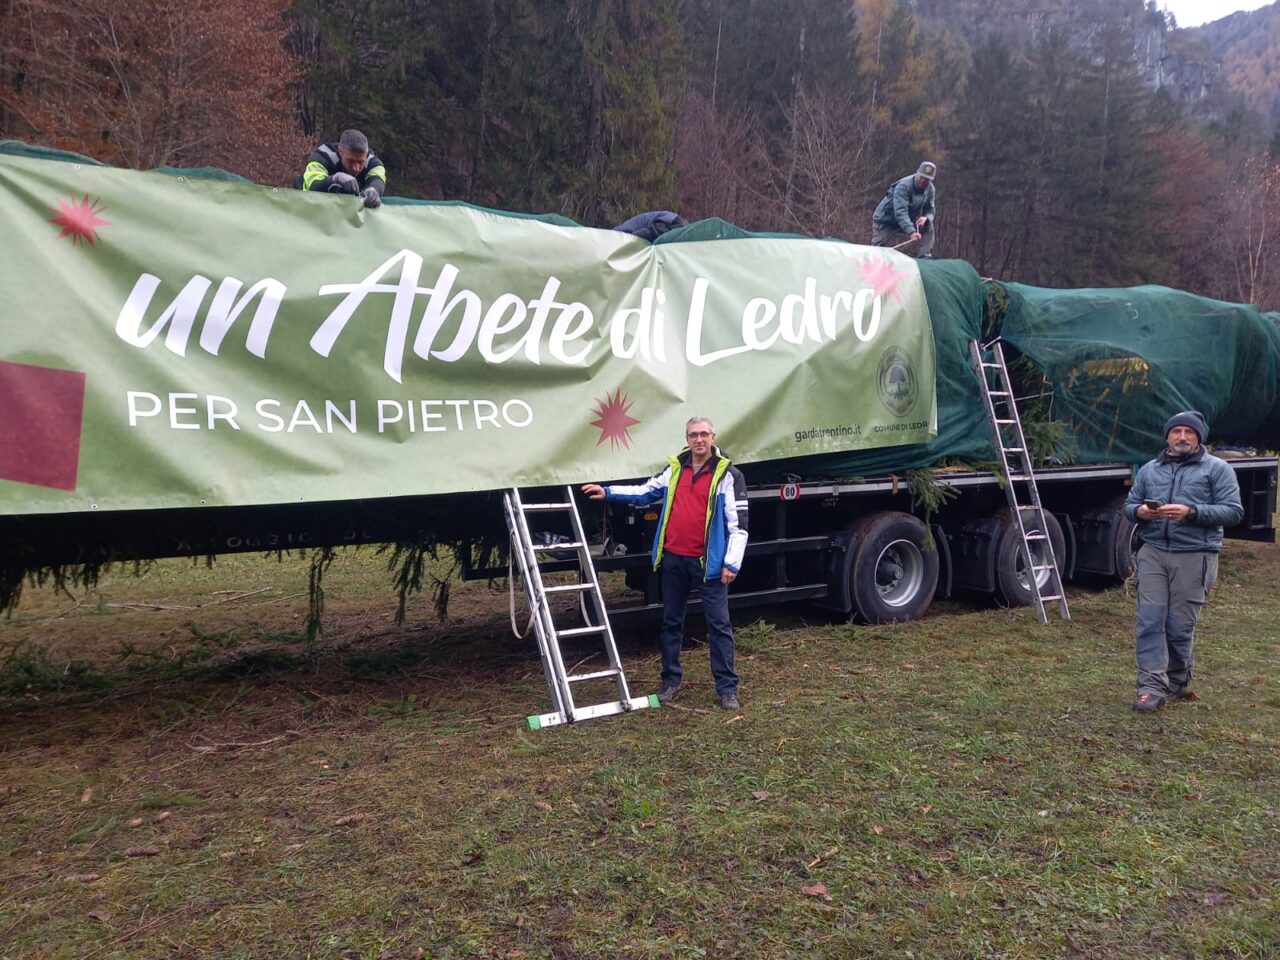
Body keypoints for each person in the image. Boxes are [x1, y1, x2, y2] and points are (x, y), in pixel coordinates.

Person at [582, 417, 748, 710]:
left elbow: (739, 526)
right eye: (693, 435)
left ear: (713, 436)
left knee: (719, 626)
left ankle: (727, 689)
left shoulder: (728, 475)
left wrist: (731, 564)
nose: (699, 440)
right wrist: (607, 492)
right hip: (673, 560)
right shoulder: (674, 469)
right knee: (671, 623)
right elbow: (645, 492)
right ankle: (670, 682)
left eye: (704, 434)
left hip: (708, 564)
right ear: (687, 438)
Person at [1123, 411, 1242, 713]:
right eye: (1176, 432)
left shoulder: (1217, 469)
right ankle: (1150, 688)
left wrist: (1191, 512)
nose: (1182, 437)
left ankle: (1177, 682)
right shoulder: (1150, 470)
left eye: (1189, 432)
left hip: (1195, 554)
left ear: (1199, 437)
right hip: (1153, 551)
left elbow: (1233, 511)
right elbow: (1129, 504)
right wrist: (1140, 512)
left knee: (1178, 627)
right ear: (1167, 437)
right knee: (1149, 620)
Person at [296, 129, 387, 209]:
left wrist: (374, 190)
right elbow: (312, 186)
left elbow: (378, 179)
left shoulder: (373, 163)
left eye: (361, 162)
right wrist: (335, 179)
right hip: (304, 207)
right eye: (350, 161)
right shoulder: (321, 157)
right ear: (340, 151)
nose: (356, 168)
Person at [871, 161, 937, 257]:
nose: (923, 181)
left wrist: (926, 218)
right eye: (921, 177)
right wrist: (911, 231)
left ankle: (924, 258)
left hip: (909, 219)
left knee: (928, 226)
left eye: (926, 179)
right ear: (917, 173)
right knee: (878, 253)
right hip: (886, 220)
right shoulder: (903, 186)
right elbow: (900, 212)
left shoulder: (930, 189)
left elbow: (930, 210)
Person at [614, 210, 687, 241]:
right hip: (677, 222)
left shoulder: (620, 232)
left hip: (672, 222)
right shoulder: (624, 228)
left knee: (635, 238)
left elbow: (646, 233)